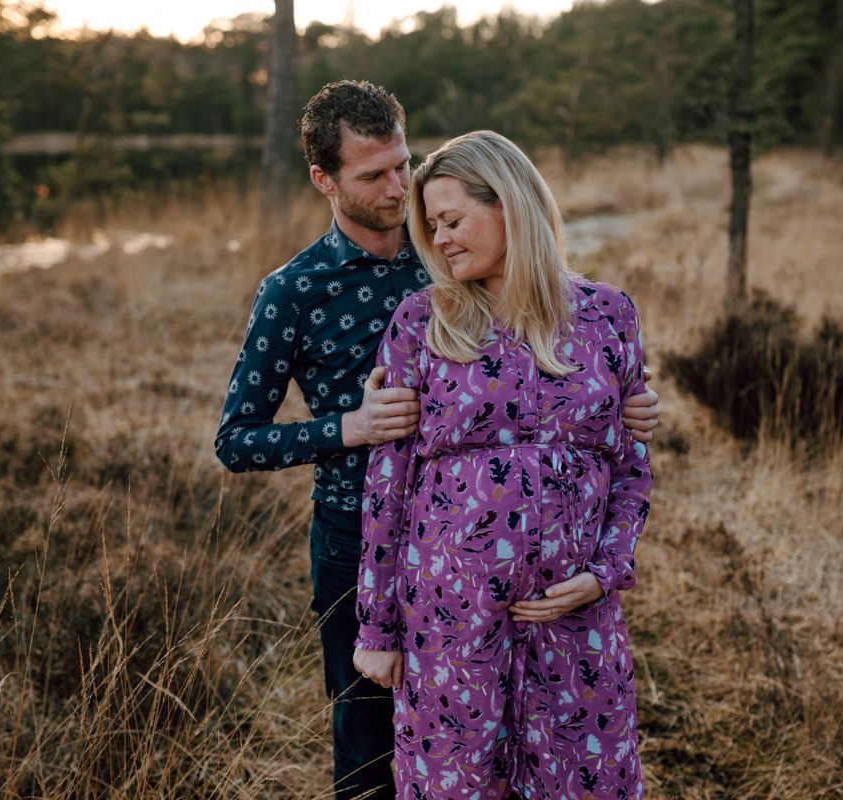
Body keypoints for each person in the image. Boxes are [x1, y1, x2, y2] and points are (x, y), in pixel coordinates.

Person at [215, 82, 659, 800]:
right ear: (325, 180)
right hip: (365, 535)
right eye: (374, 176)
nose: (398, 188)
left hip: (544, 568)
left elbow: (572, 365)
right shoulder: (297, 291)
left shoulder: (457, 260)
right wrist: (350, 428)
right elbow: (236, 441)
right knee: (371, 747)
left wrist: (624, 401)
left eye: (403, 165)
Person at [353, 130, 651, 799]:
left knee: (585, 782)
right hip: (451, 622)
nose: (441, 240)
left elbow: (631, 467)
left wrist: (603, 574)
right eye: (432, 227)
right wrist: (376, 626)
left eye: (452, 221)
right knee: (455, 785)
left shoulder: (607, 315)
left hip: (574, 621)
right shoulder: (421, 323)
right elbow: (387, 486)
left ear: (510, 205)